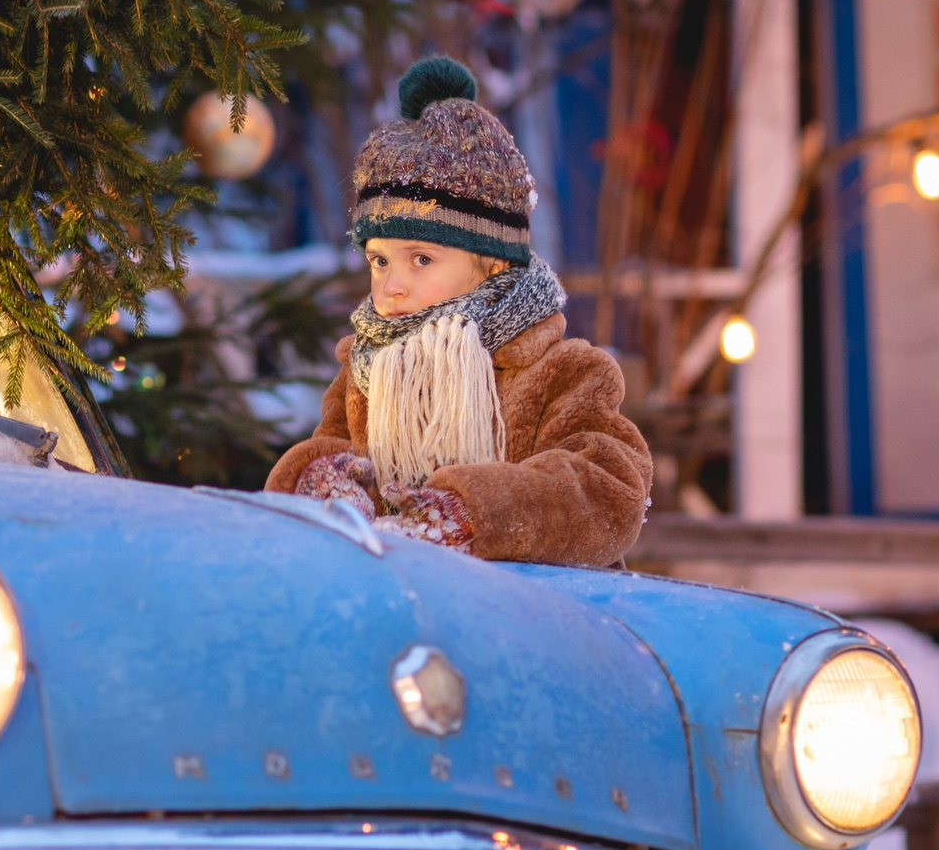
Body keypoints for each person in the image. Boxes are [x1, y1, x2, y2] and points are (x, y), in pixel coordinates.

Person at [265, 56, 653, 566]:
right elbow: (332, 448)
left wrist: (469, 513)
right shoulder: (366, 374)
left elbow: (609, 490)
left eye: (421, 259)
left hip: (536, 622)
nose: (392, 285)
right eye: (379, 260)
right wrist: (321, 482)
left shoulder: (563, 371)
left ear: (491, 263)